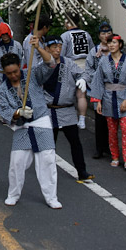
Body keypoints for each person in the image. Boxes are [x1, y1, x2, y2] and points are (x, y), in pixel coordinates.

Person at [0, 53, 62, 209]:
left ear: (20, 66)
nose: (13, 75)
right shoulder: (2, 90)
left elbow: (50, 64)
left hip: (41, 121)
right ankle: (13, 194)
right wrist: (18, 113)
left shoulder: (32, 75)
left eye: (15, 71)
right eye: (9, 73)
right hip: (22, 126)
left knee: (47, 161)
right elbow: (4, 111)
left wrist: (38, 46)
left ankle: (51, 197)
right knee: (16, 162)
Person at [31, 35, 94, 181]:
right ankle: (46, 172)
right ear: (47, 48)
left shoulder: (68, 63)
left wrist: (83, 79)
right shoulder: (41, 65)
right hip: (48, 110)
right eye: (54, 47)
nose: (58, 50)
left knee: (75, 142)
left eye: (59, 46)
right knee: (48, 145)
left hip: (67, 110)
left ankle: (82, 171)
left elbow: (83, 73)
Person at [91, 33, 126, 170]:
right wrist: (97, 100)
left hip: (124, 97)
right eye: (109, 42)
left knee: (125, 129)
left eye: (114, 42)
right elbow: (98, 81)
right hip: (108, 98)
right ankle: (115, 156)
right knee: (111, 130)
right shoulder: (103, 61)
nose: (111, 45)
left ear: (120, 45)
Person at [60, 13, 94, 130]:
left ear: (68, 22)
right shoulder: (87, 35)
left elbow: (61, 54)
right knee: (81, 95)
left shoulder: (65, 36)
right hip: (85, 65)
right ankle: (82, 120)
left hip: (70, 65)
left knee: (66, 93)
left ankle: (66, 119)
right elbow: (92, 51)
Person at [84, 22, 112, 159]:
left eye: (108, 33)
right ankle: (99, 148)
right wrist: (97, 80)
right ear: (99, 36)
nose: (106, 36)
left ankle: (110, 147)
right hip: (99, 90)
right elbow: (88, 69)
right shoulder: (94, 51)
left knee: (112, 120)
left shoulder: (115, 49)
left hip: (113, 90)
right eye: (103, 33)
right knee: (99, 119)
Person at [0, 23, 23, 88]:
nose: (5, 36)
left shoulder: (17, 45)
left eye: (6, 34)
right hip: (1, 75)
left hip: (14, 74)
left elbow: (21, 60)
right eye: (3, 35)